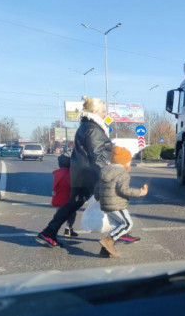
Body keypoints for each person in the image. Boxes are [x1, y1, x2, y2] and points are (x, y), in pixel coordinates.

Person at [37, 97, 113, 247]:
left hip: (81, 172)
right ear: (95, 111)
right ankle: (121, 233)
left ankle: (49, 232)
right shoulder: (93, 128)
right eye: (103, 111)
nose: (105, 113)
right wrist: (105, 174)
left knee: (73, 204)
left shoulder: (86, 125)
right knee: (112, 198)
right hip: (89, 174)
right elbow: (96, 155)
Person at [96, 146, 148, 258]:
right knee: (127, 224)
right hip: (117, 204)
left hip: (105, 204)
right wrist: (140, 192)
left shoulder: (104, 170)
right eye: (129, 160)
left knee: (116, 227)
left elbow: (97, 187)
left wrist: (97, 197)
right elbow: (123, 190)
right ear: (124, 160)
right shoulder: (122, 172)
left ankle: (105, 251)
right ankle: (107, 241)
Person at [52, 154, 78, 237]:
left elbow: (55, 187)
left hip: (59, 198)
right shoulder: (71, 173)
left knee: (59, 215)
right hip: (69, 198)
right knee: (72, 214)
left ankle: (54, 230)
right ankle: (68, 228)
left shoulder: (57, 173)